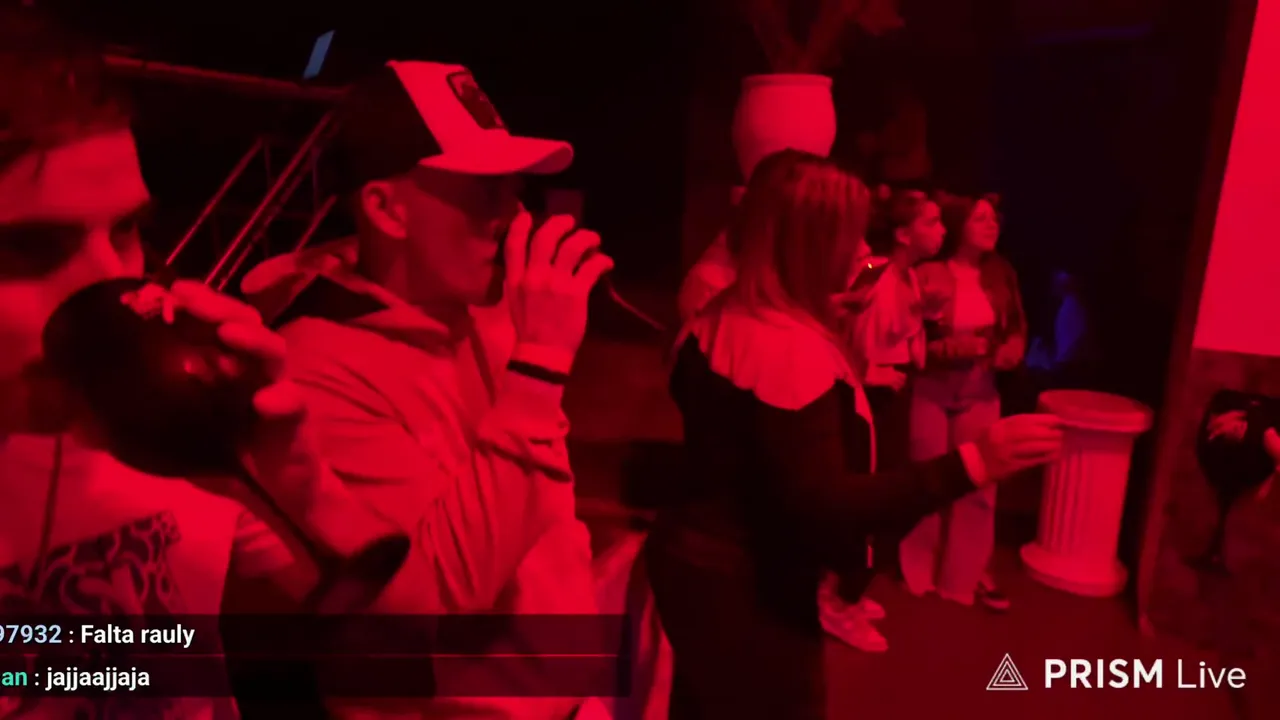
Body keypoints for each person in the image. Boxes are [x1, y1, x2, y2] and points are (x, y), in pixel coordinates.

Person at [0, 8, 521, 718]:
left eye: (126, 231)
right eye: (29, 250)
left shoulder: (154, 436)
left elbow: (405, 649)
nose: (113, 286)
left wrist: (307, 492)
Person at [240, 61, 612, 719]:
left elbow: (549, 509)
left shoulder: (485, 315)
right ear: (387, 209)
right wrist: (540, 364)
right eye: (482, 191)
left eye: (514, 187)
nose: (512, 215)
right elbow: (441, 594)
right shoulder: (314, 366)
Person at [644, 150, 1063, 719]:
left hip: (689, 565)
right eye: (850, 234)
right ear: (811, 242)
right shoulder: (787, 350)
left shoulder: (718, 311)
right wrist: (975, 462)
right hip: (749, 590)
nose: (862, 249)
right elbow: (829, 504)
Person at [899, 192, 1027, 611]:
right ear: (959, 226)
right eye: (980, 219)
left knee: (978, 488)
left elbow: (1016, 328)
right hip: (934, 390)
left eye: (994, 218)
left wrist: (1012, 349)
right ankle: (920, 571)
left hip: (980, 391)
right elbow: (908, 338)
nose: (992, 225)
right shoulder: (929, 272)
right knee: (929, 483)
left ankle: (964, 578)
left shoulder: (1001, 273)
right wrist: (950, 349)